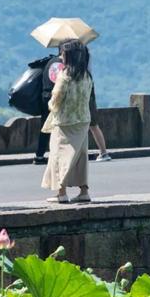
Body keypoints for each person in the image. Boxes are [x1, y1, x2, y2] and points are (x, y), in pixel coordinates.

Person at [35, 53, 112, 164]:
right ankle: (102, 152)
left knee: (49, 129)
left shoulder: (51, 62)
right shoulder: (76, 66)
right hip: (71, 101)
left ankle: (40, 155)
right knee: (90, 126)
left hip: (48, 98)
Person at [41, 40, 93, 203]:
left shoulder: (65, 76)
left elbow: (56, 101)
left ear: (69, 56)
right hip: (83, 120)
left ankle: (61, 193)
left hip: (64, 123)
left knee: (58, 156)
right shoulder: (87, 75)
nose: (60, 56)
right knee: (80, 156)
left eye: (63, 53)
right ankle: (84, 191)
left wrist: (50, 102)